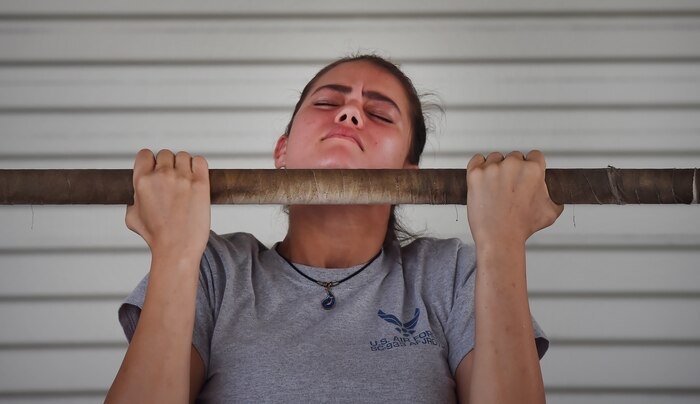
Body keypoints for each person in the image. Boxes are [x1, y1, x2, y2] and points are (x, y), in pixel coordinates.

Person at [105, 54, 564, 404]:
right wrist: (173, 251)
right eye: (327, 102)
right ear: (282, 151)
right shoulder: (213, 271)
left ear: (410, 170)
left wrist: (503, 242)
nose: (349, 114)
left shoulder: (452, 276)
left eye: (380, 114)